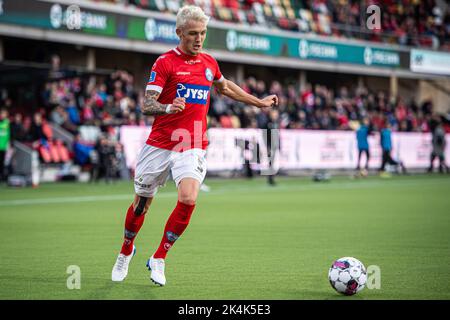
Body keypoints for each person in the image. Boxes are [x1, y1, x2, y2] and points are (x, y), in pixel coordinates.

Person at [111, 5, 278, 286]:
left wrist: (258, 102)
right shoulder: (164, 63)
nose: (198, 39)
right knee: (141, 206)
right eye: (192, 34)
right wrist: (166, 107)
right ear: (179, 33)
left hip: (192, 141)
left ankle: (159, 257)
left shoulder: (209, 63)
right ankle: (127, 249)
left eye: (202, 33)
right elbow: (147, 104)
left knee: (188, 198)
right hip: (160, 143)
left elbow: (225, 87)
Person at [0, 109, 10, 182]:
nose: (2, 115)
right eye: (1, 114)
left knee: (3, 162)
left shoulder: (7, 122)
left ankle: (3, 176)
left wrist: (8, 143)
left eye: (4, 114)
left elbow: (9, 134)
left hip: (4, 146)